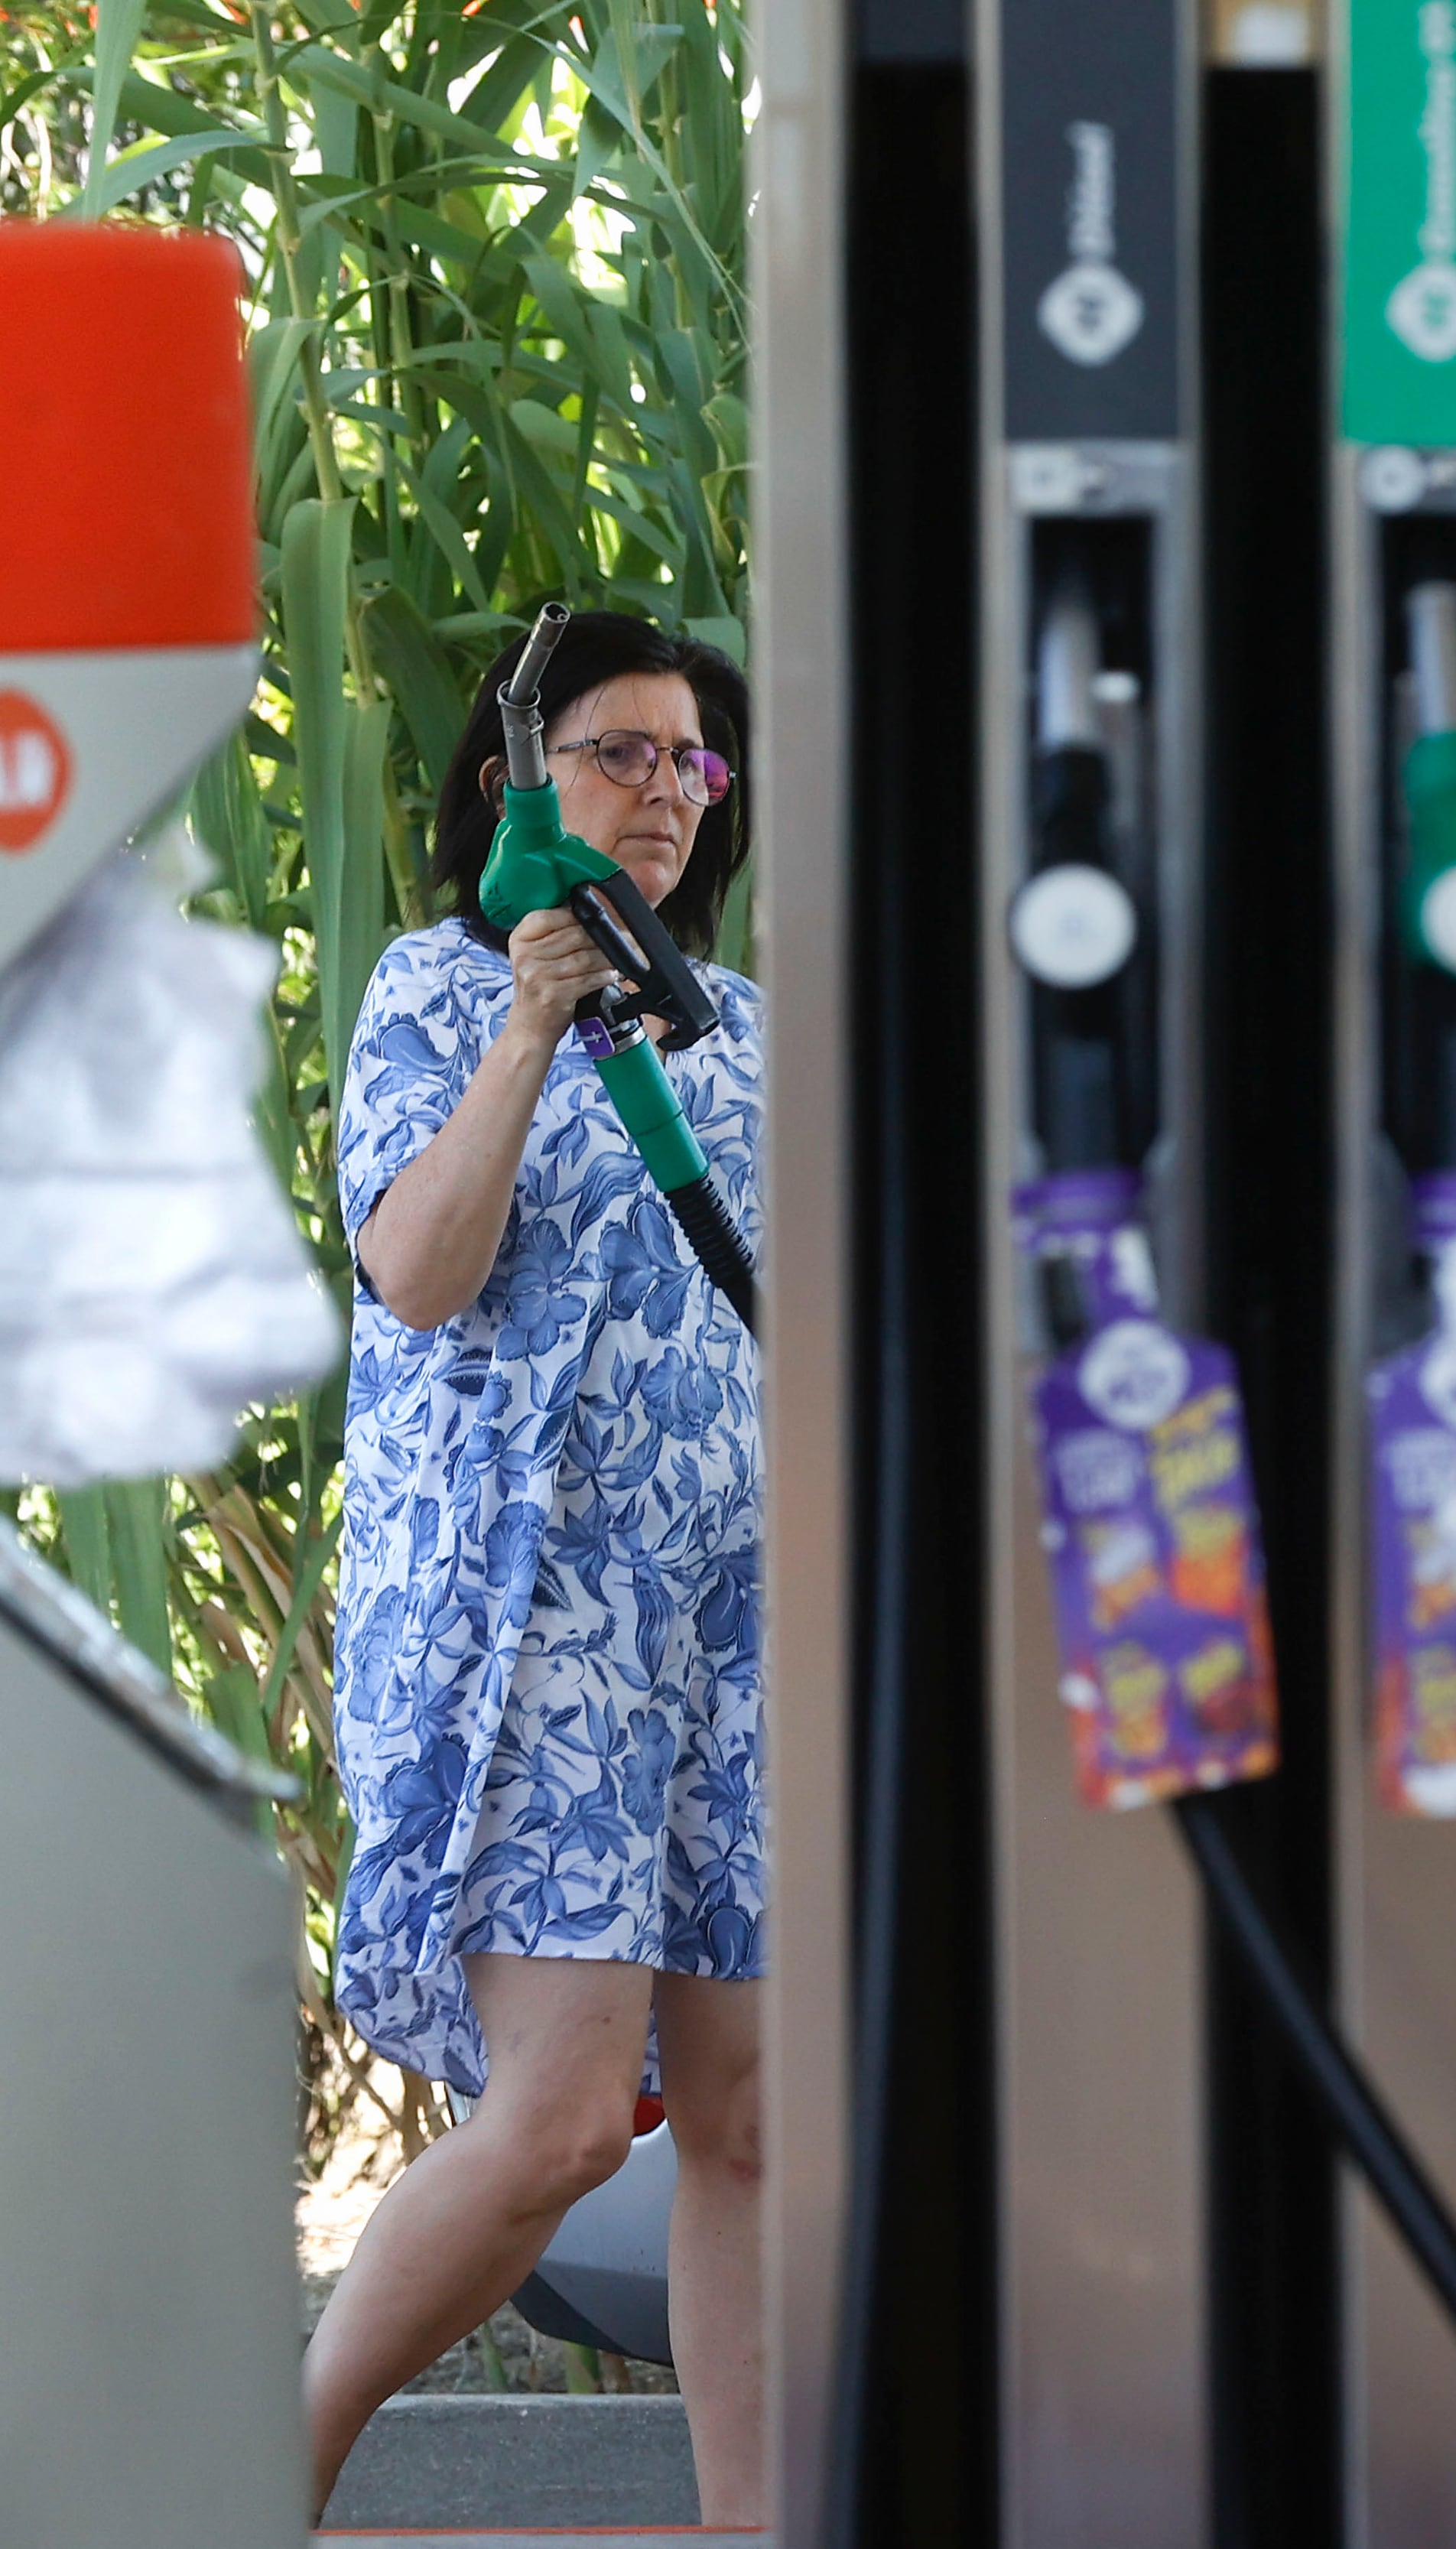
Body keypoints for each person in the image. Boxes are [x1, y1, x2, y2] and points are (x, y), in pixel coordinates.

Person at [301, 612, 766, 2523]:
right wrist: (528, 1018)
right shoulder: (428, 991)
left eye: (692, 762)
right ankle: (259, 2460)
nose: (665, 791)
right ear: (517, 783)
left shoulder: (739, 1029)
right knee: (570, 2114)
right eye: (623, 753)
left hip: (740, 1621)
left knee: (756, 2124)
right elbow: (418, 1271)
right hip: (533, 1618)